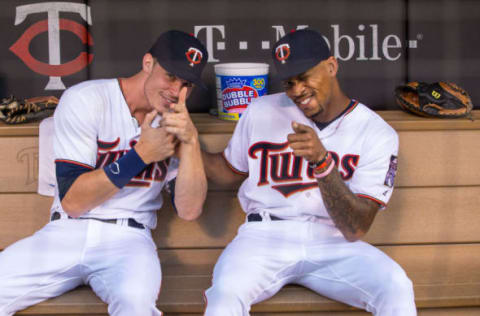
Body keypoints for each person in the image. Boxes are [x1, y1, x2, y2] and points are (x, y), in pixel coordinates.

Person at [202, 29, 416, 315]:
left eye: (305, 76)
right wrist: (189, 145)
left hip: (334, 241)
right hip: (264, 236)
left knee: (395, 286)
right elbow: (228, 170)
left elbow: (357, 228)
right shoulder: (261, 110)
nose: (297, 90)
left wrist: (323, 163)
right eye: (290, 82)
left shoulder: (375, 132)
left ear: (331, 66)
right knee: (225, 293)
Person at [0, 30, 208, 316]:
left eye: (187, 84)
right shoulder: (88, 99)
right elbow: (73, 201)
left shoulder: (176, 123)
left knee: (136, 305)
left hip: (129, 239)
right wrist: (141, 155)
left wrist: (192, 141)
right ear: (148, 63)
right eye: (171, 76)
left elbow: (189, 209)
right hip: (65, 231)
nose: (177, 92)